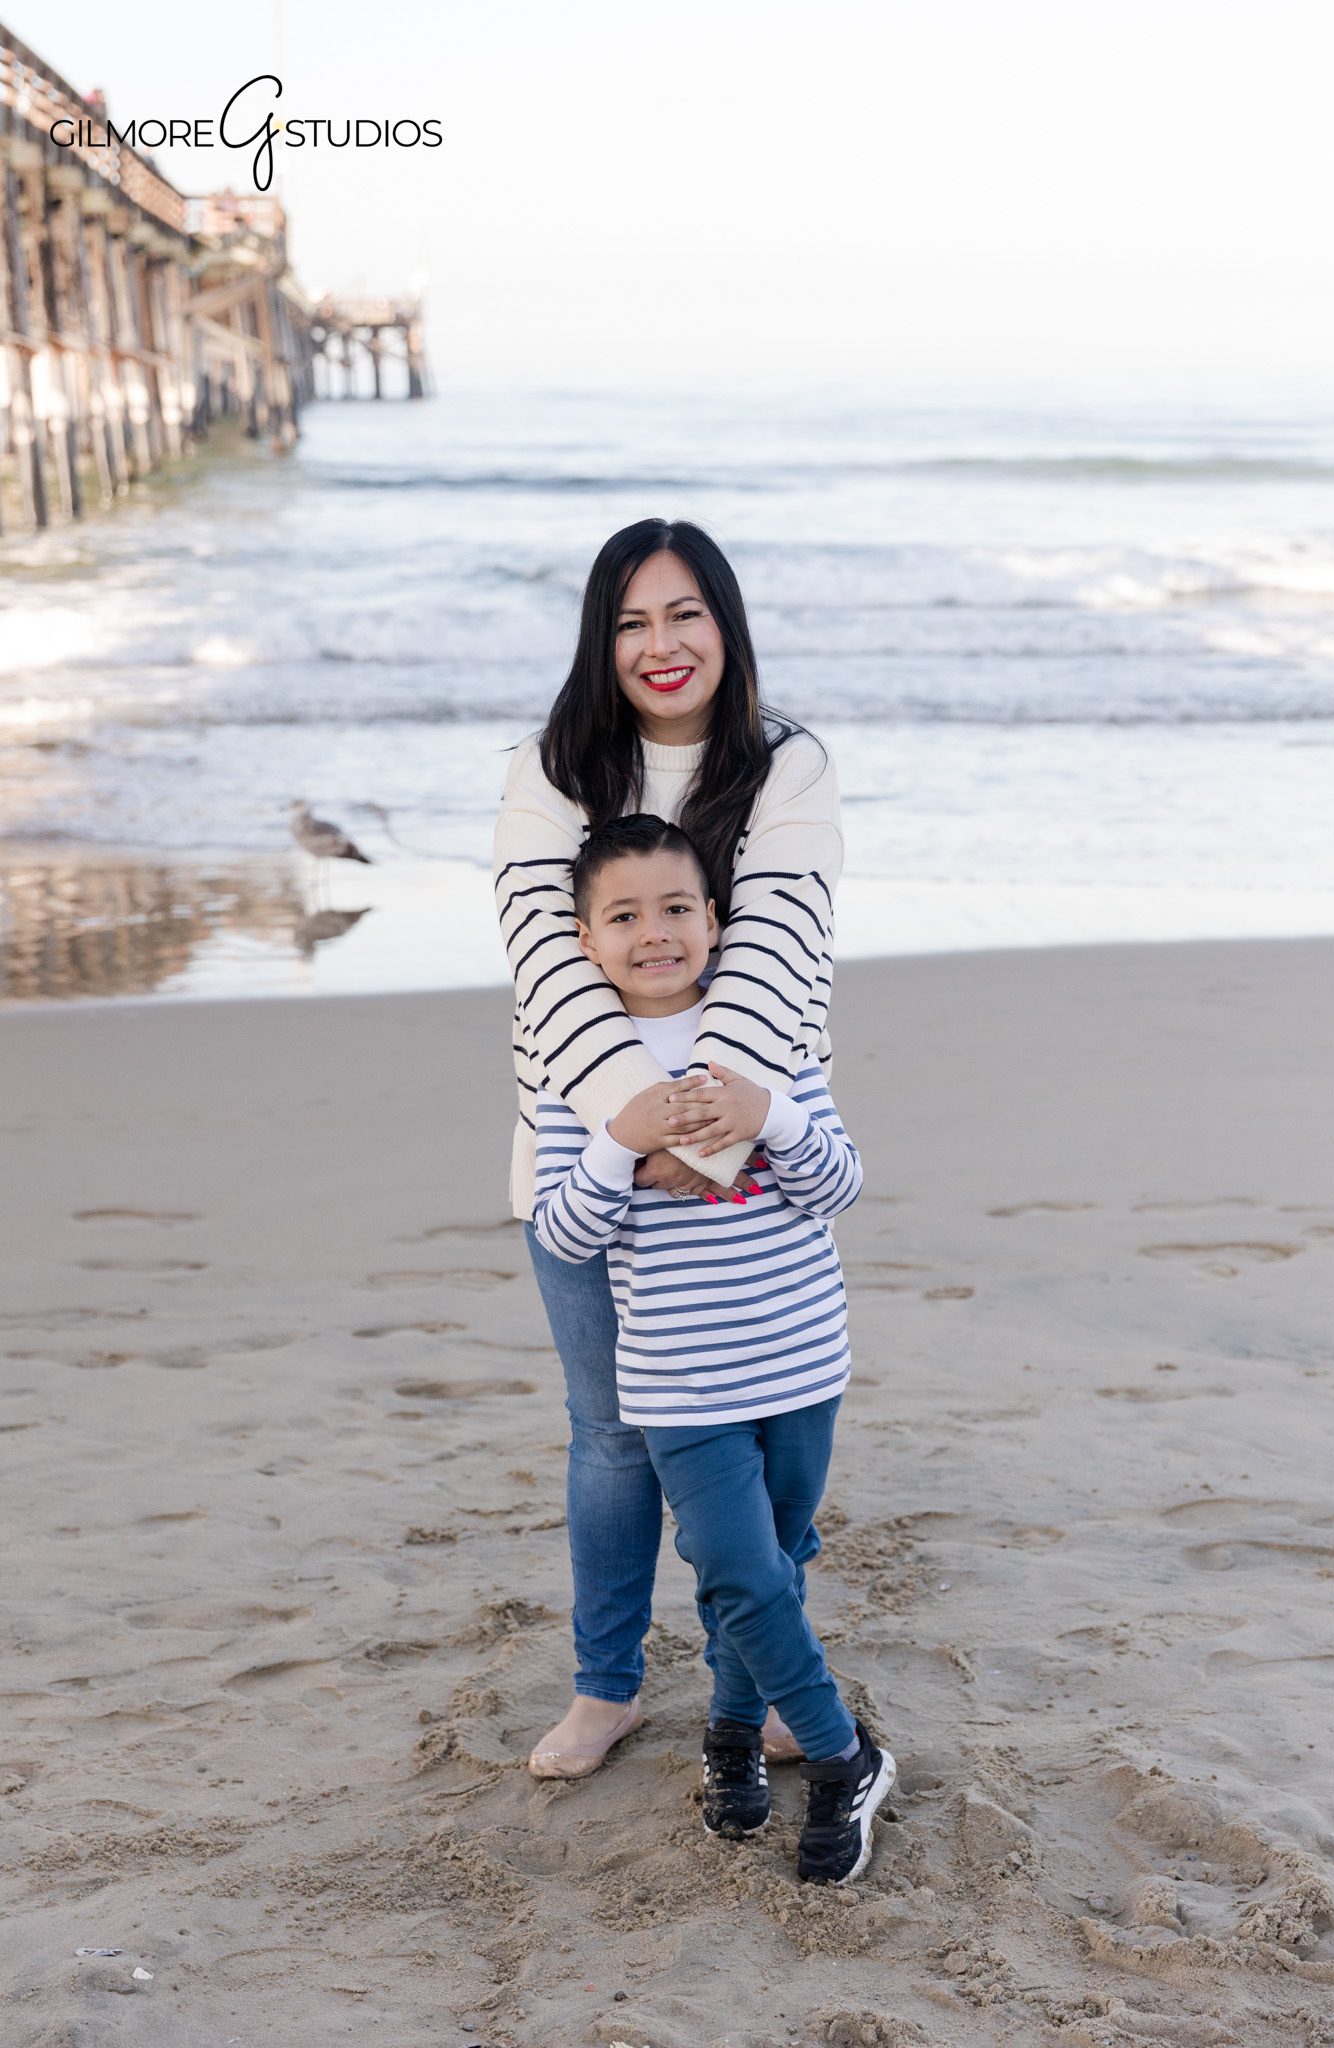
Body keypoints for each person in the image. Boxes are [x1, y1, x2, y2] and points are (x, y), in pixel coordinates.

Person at [493, 518, 842, 1779]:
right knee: (611, 1435)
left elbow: (781, 941)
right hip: (585, 1155)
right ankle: (607, 1686)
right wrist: (638, 1127)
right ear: (604, 637)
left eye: (684, 613)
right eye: (633, 620)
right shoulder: (553, 768)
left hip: (751, 1151)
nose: (661, 643)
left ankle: (770, 1681)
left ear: (724, 624)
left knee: (763, 1449)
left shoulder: (788, 765)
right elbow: (545, 958)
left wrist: (706, 1125)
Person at [531, 814, 895, 1884]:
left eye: (678, 906)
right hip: (677, 1378)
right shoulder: (582, 1077)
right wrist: (625, 1148)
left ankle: (733, 1733)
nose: (656, 931)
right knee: (734, 1564)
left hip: (799, 1362)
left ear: (717, 921)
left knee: (770, 1569)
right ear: (588, 942)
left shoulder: (768, 1043)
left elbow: (841, 1184)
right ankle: (841, 1755)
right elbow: (560, 1230)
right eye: (626, 914)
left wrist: (769, 1113)